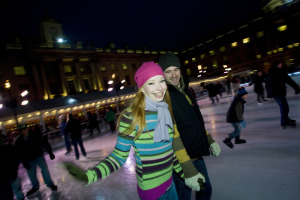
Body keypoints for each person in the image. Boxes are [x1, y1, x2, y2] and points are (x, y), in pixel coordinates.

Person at [64, 61, 205, 200]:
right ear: (142, 88)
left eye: (161, 81)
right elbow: (118, 157)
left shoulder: (165, 111)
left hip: (170, 185)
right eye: (151, 83)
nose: (159, 88)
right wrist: (90, 176)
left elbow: (169, 153)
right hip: (152, 192)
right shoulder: (131, 116)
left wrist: (186, 174)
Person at [158, 53, 221, 200]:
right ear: (162, 74)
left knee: (205, 190)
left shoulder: (184, 90)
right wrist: (186, 167)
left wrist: (209, 139)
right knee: (184, 196)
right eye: (168, 71)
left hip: (196, 154)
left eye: (176, 69)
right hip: (181, 161)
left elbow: (196, 121)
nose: (174, 75)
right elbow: (173, 135)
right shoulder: (165, 97)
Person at [14, 124, 57, 197]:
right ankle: (35, 186)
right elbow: (18, 153)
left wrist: (50, 153)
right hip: (28, 160)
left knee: (44, 169)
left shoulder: (35, 135)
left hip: (38, 156)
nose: (23, 131)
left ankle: (50, 184)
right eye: (21, 130)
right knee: (31, 174)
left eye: (24, 129)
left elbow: (44, 143)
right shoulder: (18, 141)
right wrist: (24, 163)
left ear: (27, 129)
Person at [266, 60, 300, 129]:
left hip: (275, 93)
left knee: (284, 107)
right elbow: (289, 80)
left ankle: (286, 120)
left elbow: (268, 84)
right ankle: (284, 122)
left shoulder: (271, 72)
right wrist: (297, 88)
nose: (281, 65)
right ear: (277, 65)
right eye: (280, 63)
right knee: (284, 107)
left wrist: (269, 94)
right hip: (279, 93)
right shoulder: (279, 72)